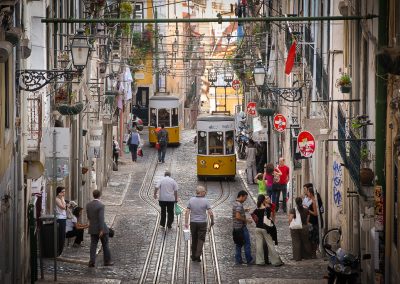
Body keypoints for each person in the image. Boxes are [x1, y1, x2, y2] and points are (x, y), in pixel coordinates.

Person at [184, 186, 214, 262]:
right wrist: (212, 221)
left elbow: (187, 211)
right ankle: (197, 255)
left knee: (194, 239)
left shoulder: (191, 200)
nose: (205, 192)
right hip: (202, 223)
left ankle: (193, 256)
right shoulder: (206, 201)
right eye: (204, 191)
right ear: (201, 192)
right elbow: (210, 213)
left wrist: (186, 223)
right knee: (201, 239)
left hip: (193, 223)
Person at [252, 195, 283, 266]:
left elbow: (254, 218)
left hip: (258, 228)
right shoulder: (267, 209)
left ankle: (260, 261)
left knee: (259, 245)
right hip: (265, 228)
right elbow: (270, 218)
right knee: (270, 244)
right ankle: (276, 261)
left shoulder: (256, 209)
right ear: (263, 200)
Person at [86, 190, 113, 267]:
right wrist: (101, 230)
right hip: (101, 229)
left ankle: (92, 261)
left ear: (93, 195)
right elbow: (101, 219)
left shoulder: (88, 205)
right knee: (105, 245)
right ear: (99, 195)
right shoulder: (101, 205)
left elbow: (89, 217)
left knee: (93, 245)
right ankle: (107, 261)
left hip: (92, 228)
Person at [232, 190, 254, 265]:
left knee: (238, 244)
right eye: (245, 198)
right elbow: (238, 216)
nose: (245, 199)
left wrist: (244, 210)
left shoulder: (235, 203)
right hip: (241, 227)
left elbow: (237, 211)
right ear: (241, 196)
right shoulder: (239, 205)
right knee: (247, 243)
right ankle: (249, 259)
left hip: (236, 227)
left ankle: (238, 260)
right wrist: (246, 220)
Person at [306, 187, 324, 258]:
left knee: (313, 239)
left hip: (314, 222)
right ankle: (313, 254)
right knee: (314, 238)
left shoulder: (314, 201)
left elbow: (316, 213)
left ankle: (313, 254)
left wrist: (308, 210)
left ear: (311, 193)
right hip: (315, 222)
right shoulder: (316, 200)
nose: (307, 194)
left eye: (308, 192)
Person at [55, 186, 68, 256]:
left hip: (63, 218)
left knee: (63, 235)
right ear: (59, 192)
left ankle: (60, 251)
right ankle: (58, 252)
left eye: (64, 191)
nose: (64, 193)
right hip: (60, 219)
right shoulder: (57, 199)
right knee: (60, 235)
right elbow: (63, 207)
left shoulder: (62, 198)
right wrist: (63, 200)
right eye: (62, 192)